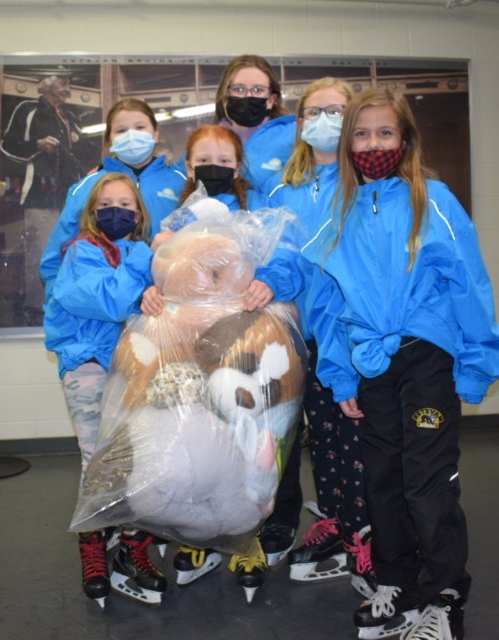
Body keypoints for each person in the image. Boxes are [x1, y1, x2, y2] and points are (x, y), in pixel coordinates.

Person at [300, 87, 499, 640]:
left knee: (427, 482)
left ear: (406, 139)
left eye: (385, 132)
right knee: (383, 479)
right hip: (372, 365)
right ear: (349, 144)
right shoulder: (338, 214)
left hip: (426, 359)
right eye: (363, 134)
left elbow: (469, 285)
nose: (374, 143)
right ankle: (395, 581)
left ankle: (442, 596)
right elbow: (326, 300)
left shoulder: (434, 201)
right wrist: (341, 373)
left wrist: (476, 364)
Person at [141, 125, 284, 603]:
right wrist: (152, 286)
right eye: (206, 158)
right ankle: (196, 535)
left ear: (239, 167)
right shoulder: (172, 220)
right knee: (192, 437)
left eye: (226, 159)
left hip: (245, 346)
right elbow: (159, 274)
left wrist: (270, 283)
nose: (216, 166)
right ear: (189, 165)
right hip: (188, 347)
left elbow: (283, 264)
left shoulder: (259, 217)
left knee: (252, 439)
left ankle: (248, 537)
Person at [264, 77, 377, 598]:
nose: (325, 119)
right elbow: (284, 262)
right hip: (300, 339)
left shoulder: (366, 185)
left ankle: (367, 536)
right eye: (313, 111)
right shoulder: (285, 191)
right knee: (323, 443)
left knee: (356, 441)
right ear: (299, 122)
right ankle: (337, 520)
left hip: (350, 337)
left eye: (337, 109)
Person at [43, 172, 166, 609]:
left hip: (134, 368)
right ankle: (93, 546)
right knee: (97, 460)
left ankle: (133, 545)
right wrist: (144, 282)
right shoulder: (81, 252)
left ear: (140, 214)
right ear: (92, 212)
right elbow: (102, 298)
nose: (118, 210)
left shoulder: (144, 253)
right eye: (108, 202)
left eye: (127, 204)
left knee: (138, 458)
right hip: (90, 366)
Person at [213, 55, 302, 569]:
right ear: (225, 92)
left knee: (277, 410)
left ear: (273, 97)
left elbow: (297, 225)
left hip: (276, 299)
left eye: (258, 88)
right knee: (223, 412)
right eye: (238, 86)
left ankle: (281, 514)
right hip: (219, 307)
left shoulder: (294, 142)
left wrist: (275, 279)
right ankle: (222, 517)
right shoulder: (211, 142)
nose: (247, 95)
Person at [39, 98, 187, 287]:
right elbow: (56, 258)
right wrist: (59, 306)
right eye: (121, 131)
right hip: (106, 298)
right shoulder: (88, 186)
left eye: (140, 127)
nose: (132, 136)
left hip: (168, 295)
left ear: (156, 134)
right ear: (109, 140)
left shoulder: (180, 181)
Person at [1, 75, 84, 323]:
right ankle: (36, 310)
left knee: (74, 252)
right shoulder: (28, 110)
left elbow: (82, 151)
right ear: (45, 86)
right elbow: (6, 145)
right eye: (62, 83)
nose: (67, 88)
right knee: (41, 253)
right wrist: (36, 145)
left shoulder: (70, 118)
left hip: (70, 197)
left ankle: (68, 305)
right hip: (41, 194)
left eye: (68, 83)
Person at [213, 54, 296, 194]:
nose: (248, 96)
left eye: (258, 90)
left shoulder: (294, 137)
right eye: (239, 89)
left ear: (271, 99)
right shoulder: (206, 141)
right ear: (225, 96)